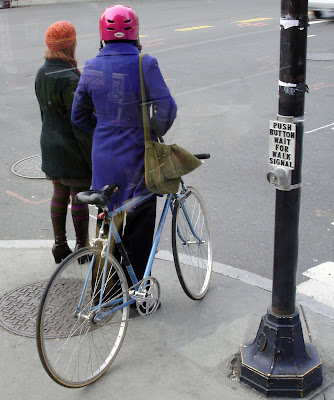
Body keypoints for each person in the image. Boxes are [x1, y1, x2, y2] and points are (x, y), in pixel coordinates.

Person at [71, 5, 177, 282]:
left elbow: (78, 115)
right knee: (139, 222)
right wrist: (150, 132)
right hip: (138, 158)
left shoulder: (92, 65)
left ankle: (102, 288)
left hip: (104, 157)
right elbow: (167, 108)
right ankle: (134, 289)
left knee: (107, 223)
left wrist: (103, 130)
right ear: (136, 32)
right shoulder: (145, 63)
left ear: (102, 35)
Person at [35, 21, 94, 263]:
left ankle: (60, 245)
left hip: (50, 143)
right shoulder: (69, 78)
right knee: (78, 195)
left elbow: (44, 111)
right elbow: (78, 123)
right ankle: (82, 246)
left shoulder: (42, 72)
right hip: (71, 148)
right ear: (70, 45)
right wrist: (91, 156)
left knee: (59, 192)